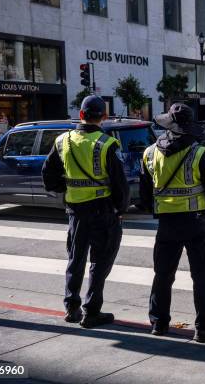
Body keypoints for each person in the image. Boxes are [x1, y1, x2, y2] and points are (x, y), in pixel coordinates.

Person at [140, 103, 205, 343]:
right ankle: (204, 327)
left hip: (166, 224)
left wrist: (160, 211)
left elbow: (145, 196)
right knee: (201, 276)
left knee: (163, 275)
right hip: (196, 222)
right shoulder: (201, 154)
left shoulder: (149, 153)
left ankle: (158, 323)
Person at [42, 95, 129, 328]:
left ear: (80, 115)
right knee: (100, 262)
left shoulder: (62, 141)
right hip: (103, 212)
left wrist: (67, 187)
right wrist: (121, 209)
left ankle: (71, 308)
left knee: (75, 259)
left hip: (76, 211)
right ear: (104, 117)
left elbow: (48, 177)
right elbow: (120, 184)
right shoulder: (108, 144)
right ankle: (91, 311)